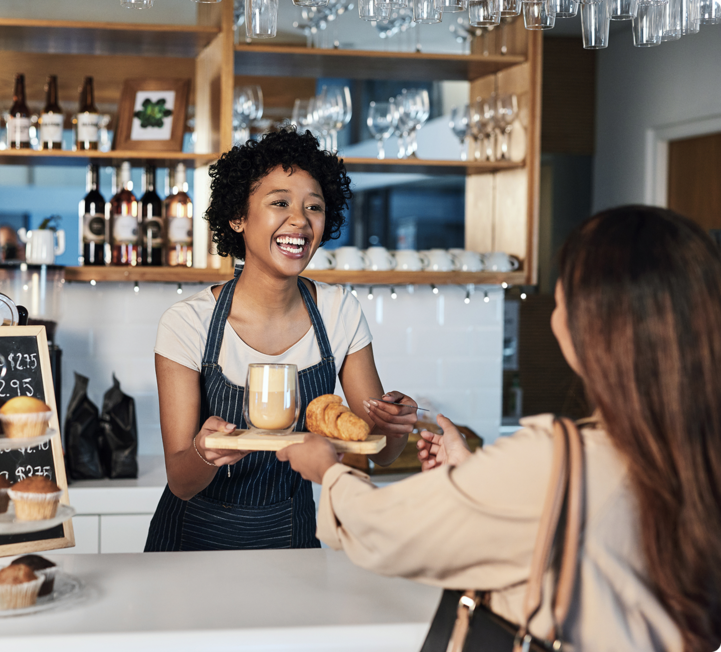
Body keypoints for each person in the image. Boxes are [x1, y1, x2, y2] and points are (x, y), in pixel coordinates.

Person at [278, 206, 721, 651]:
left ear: (593, 325)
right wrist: (476, 475)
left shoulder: (554, 459)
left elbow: (388, 531)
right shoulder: (695, 450)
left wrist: (329, 472)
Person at [145, 128, 419, 552]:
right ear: (238, 216)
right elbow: (181, 481)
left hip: (292, 538)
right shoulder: (188, 323)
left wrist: (395, 426)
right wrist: (205, 452)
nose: (300, 220)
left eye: (314, 207)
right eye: (279, 203)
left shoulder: (338, 312)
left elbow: (377, 451)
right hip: (192, 545)